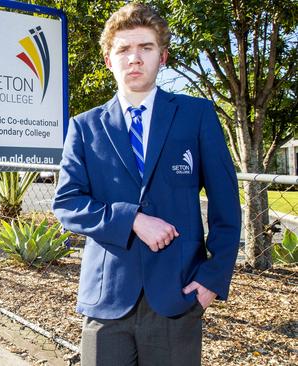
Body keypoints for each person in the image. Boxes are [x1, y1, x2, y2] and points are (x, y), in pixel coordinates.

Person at [53, 3, 241, 365]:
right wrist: (133, 219)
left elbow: (226, 207)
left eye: (146, 48)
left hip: (178, 296)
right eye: (123, 49)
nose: (134, 58)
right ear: (109, 60)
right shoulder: (85, 126)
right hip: (106, 301)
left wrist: (213, 280)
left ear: (163, 56)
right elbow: (68, 203)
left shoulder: (196, 116)